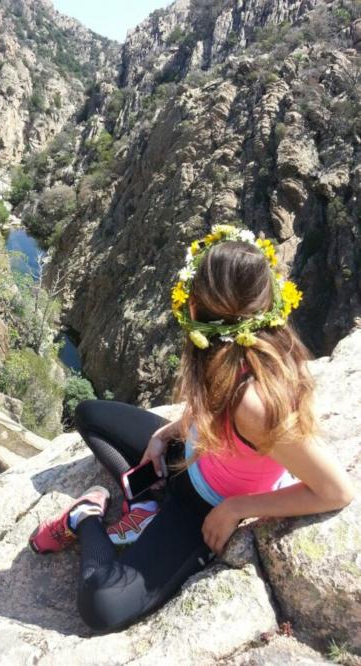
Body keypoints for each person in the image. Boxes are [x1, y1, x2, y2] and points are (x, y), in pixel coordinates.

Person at [29, 224, 354, 633]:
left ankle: (86, 518)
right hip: (190, 455)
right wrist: (169, 432)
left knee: (102, 606)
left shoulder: (255, 400)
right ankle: (146, 501)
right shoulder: (235, 349)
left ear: (200, 309)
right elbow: (215, 410)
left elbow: (336, 491)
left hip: (204, 505)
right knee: (91, 415)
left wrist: (236, 508)